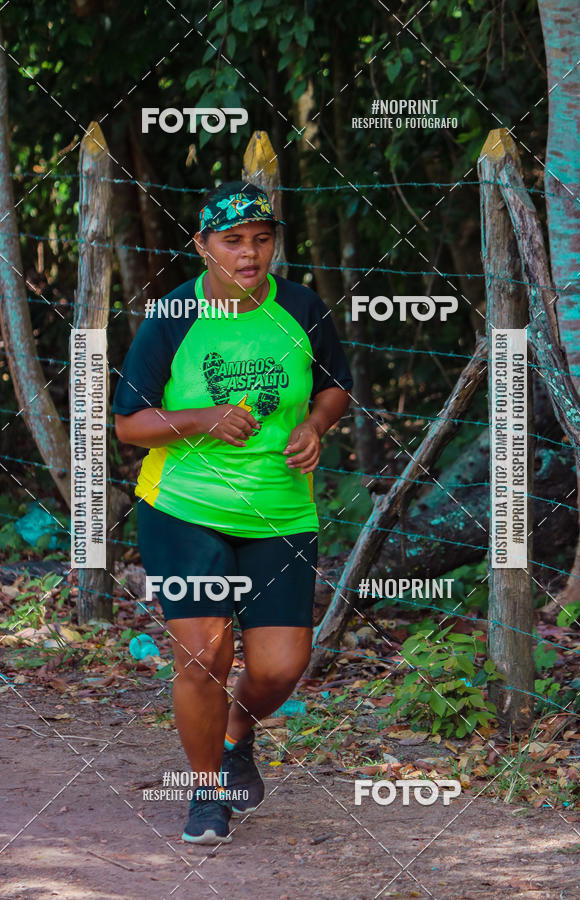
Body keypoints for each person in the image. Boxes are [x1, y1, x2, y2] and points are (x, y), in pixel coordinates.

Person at [112, 180, 352, 844]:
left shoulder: (300, 308)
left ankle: (236, 732)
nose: (249, 255)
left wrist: (315, 426)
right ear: (203, 246)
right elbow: (129, 426)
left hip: (280, 513)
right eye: (233, 242)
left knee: (279, 666)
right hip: (185, 510)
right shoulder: (173, 316)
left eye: (261, 239)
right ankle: (205, 790)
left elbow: (336, 388)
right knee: (202, 659)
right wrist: (203, 419)